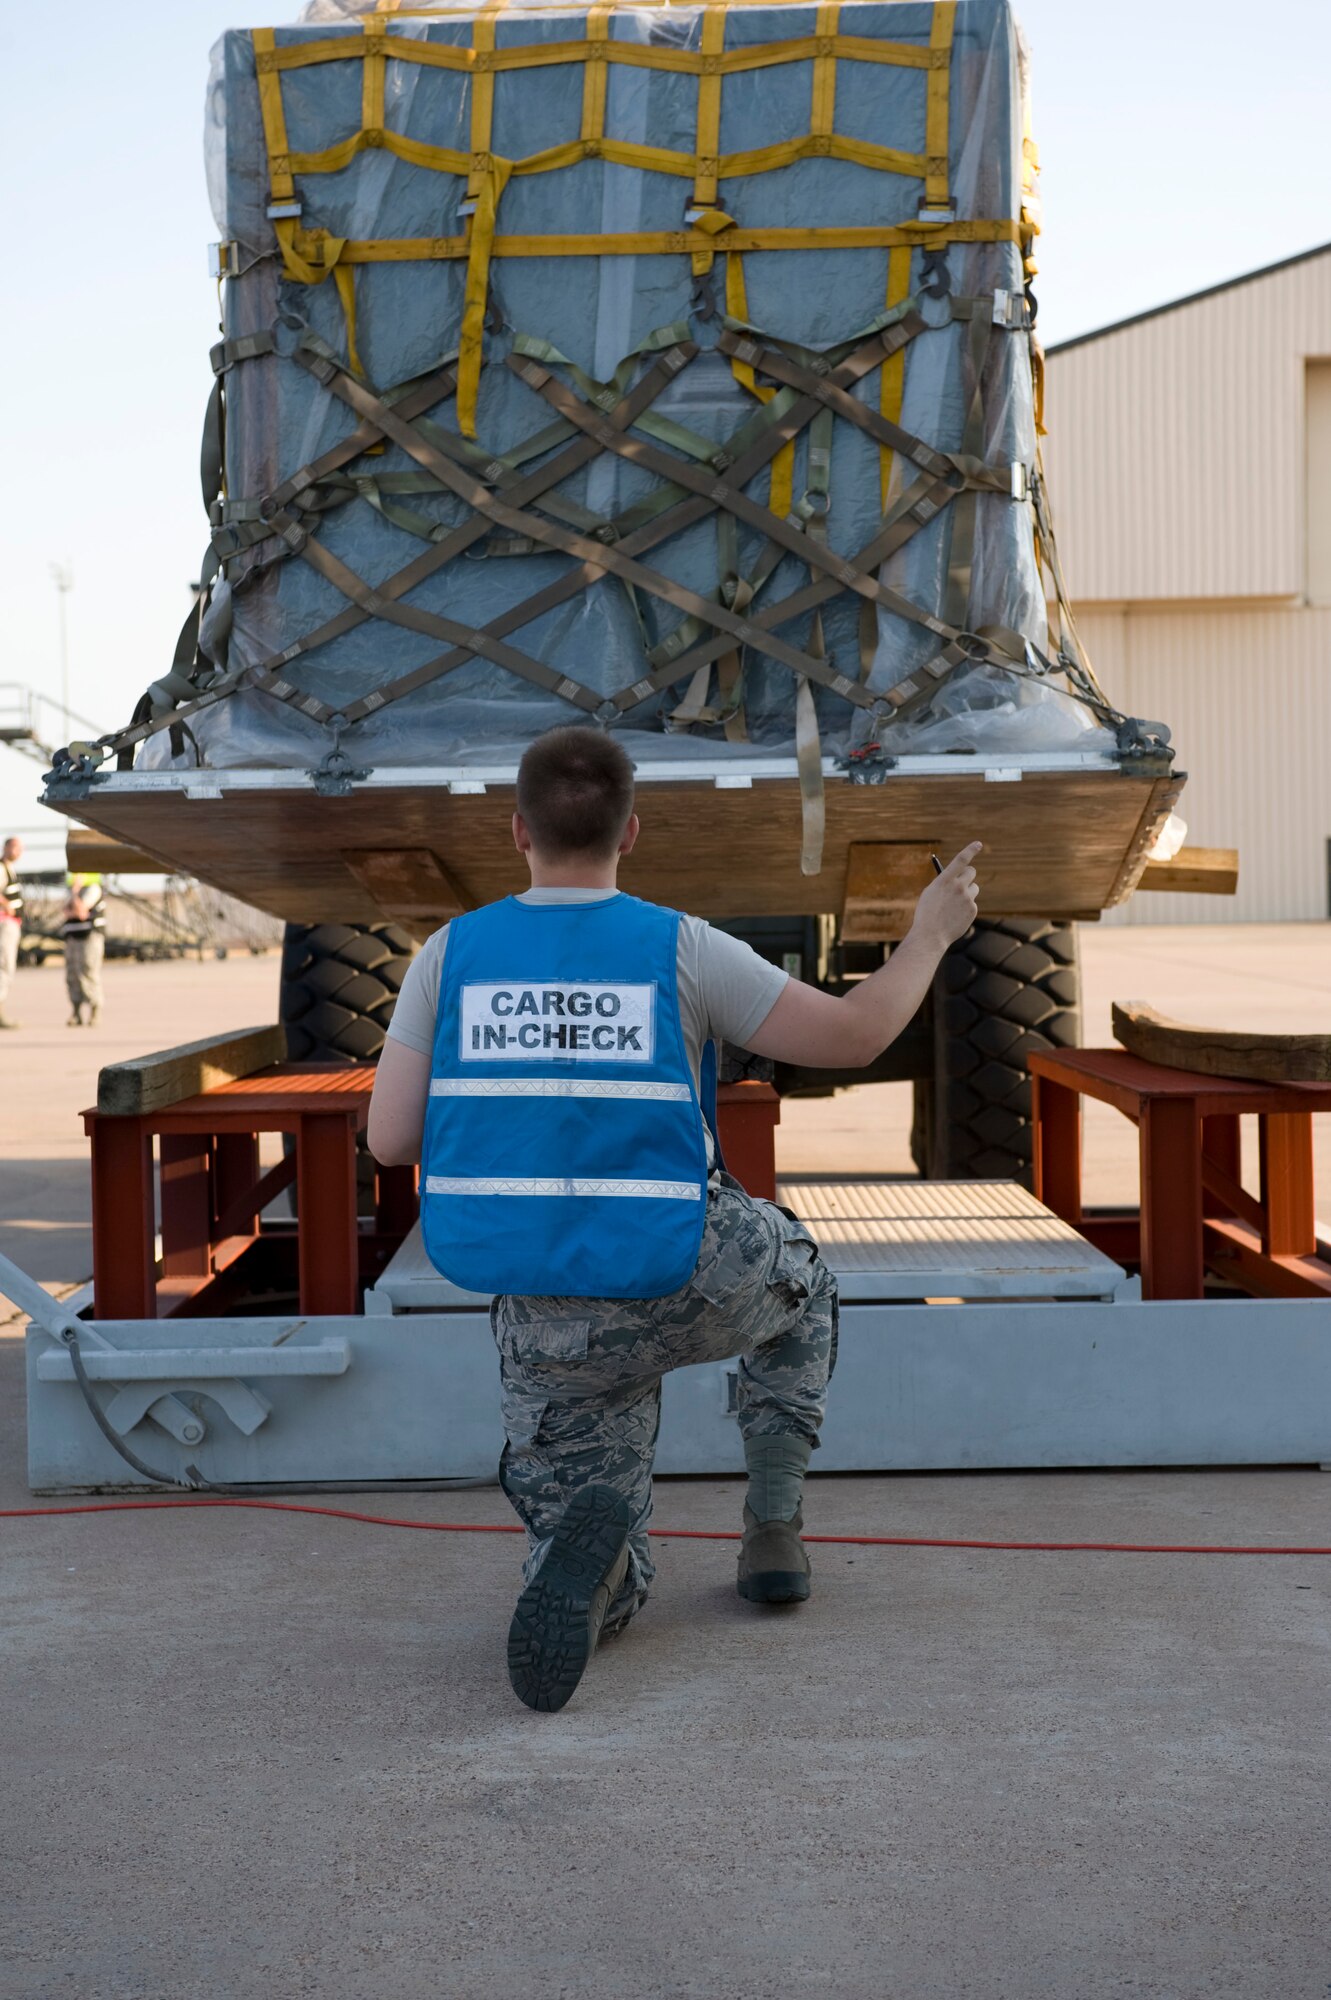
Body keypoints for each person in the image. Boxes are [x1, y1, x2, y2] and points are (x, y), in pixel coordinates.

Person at [369, 727, 979, 1711]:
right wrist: (931, 931)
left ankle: (602, 1574)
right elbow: (856, 1029)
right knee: (803, 1278)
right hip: (689, 1273)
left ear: (516, 831)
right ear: (631, 832)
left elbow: (390, 1138)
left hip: (547, 1318)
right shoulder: (678, 945)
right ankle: (772, 1527)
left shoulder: (451, 954)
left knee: (583, 1518)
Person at [60, 873, 107, 1027]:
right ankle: (76, 1011)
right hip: (72, 936)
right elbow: (66, 911)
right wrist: (73, 897)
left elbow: (80, 911)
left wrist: (75, 892)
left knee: (88, 971)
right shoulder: (71, 890)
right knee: (72, 973)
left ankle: (95, 1010)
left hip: (90, 936)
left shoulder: (93, 888)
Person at [0, 836, 23, 1029]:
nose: (19, 851)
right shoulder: (2, 868)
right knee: (4, 967)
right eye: (15, 847)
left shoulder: (9, 868)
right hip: (5, 924)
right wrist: (6, 905)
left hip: (10, 923)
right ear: (5, 847)